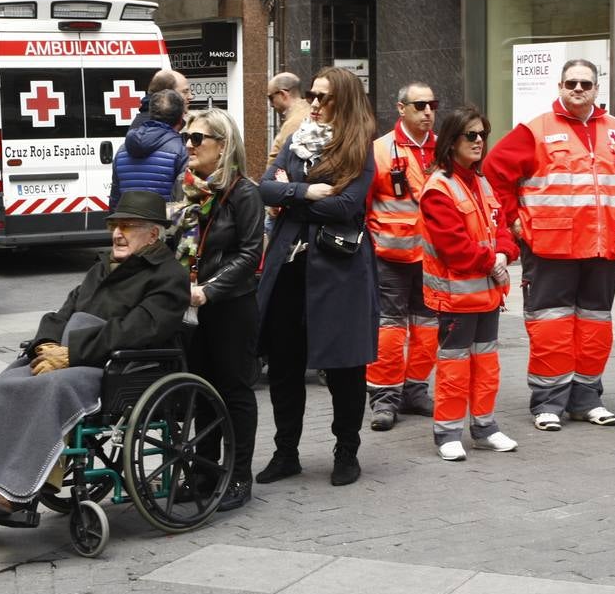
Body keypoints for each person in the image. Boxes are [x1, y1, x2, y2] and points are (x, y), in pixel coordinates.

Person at [0, 191, 189, 514]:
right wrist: (47, 344)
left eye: (127, 226)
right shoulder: (103, 267)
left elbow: (137, 330)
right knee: (4, 384)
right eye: (114, 225)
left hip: (118, 366)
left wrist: (72, 353)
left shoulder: (169, 275)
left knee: (50, 388)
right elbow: (63, 311)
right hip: (70, 351)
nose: (117, 234)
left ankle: (14, 489)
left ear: (152, 234)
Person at [483, 58, 615, 432]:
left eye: (585, 84)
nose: (577, 89)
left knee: (594, 328)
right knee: (551, 328)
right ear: (559, 87)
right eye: (571, 83)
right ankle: (548, 403)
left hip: (604, 250)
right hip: (550, 247)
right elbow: (493, 173)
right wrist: (515, 222)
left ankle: (587, 400)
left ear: (596, 89)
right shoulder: (535, 129)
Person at [256, 66, 377, 487]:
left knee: (345, 367)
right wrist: (306, 191)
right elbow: (265, 188)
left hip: (338, 270)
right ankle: (285, 452)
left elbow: (347, 206)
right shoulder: (297, 138)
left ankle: (346, 452)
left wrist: (290, 198)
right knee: (284, 366)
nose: (316, 104)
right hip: (290, 269)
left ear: (343, 100)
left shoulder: (359, 145)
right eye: (312, 95)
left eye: (325, 97)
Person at [419, 106, 519, 461]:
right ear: (451, 141)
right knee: (454, 366)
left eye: (483, 135)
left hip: (487, 295)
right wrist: (494, 261)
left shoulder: (481, 181)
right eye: (471, 135)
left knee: (486, 364)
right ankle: (447, 432)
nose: (479, 141)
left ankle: (485, 427)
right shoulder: (438, 188)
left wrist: (505, 253)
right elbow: (454, 248)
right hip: (455, 298)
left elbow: (502, 227)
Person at [175, 109, 263, 511]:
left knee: (234, 391)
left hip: (231, 306)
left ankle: (239, 476)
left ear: (223, 146)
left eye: (198, 139)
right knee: (201, 391)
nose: (189, 145)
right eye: (187, 138)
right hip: (194, 308)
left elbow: (248, 255)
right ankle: (204, 472)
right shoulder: (192, 191)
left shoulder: (244, 193)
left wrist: (209, 289)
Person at [365, 82, 439, 431]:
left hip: (432, 258)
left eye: (431, 105)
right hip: (390, 256)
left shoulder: (444, 150)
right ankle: (383, 397)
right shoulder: (380, 150)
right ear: (401, 108)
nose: (427, 112)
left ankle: (415, 389)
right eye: (420, 105)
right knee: (389, 330)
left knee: (427, 329)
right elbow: (364, 205)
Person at [109, 88, 188, 209]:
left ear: (151, 113)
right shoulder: (182, 150)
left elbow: (115, 199)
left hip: (129, 224)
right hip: (161, 226)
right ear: (181, 117)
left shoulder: (122, 150)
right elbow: (183, 201)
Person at [266, 72, 308, 167]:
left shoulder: (293, 123)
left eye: (271, 98)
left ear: (283, 94)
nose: (271, 105)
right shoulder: (310, 111)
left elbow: (277, 164)